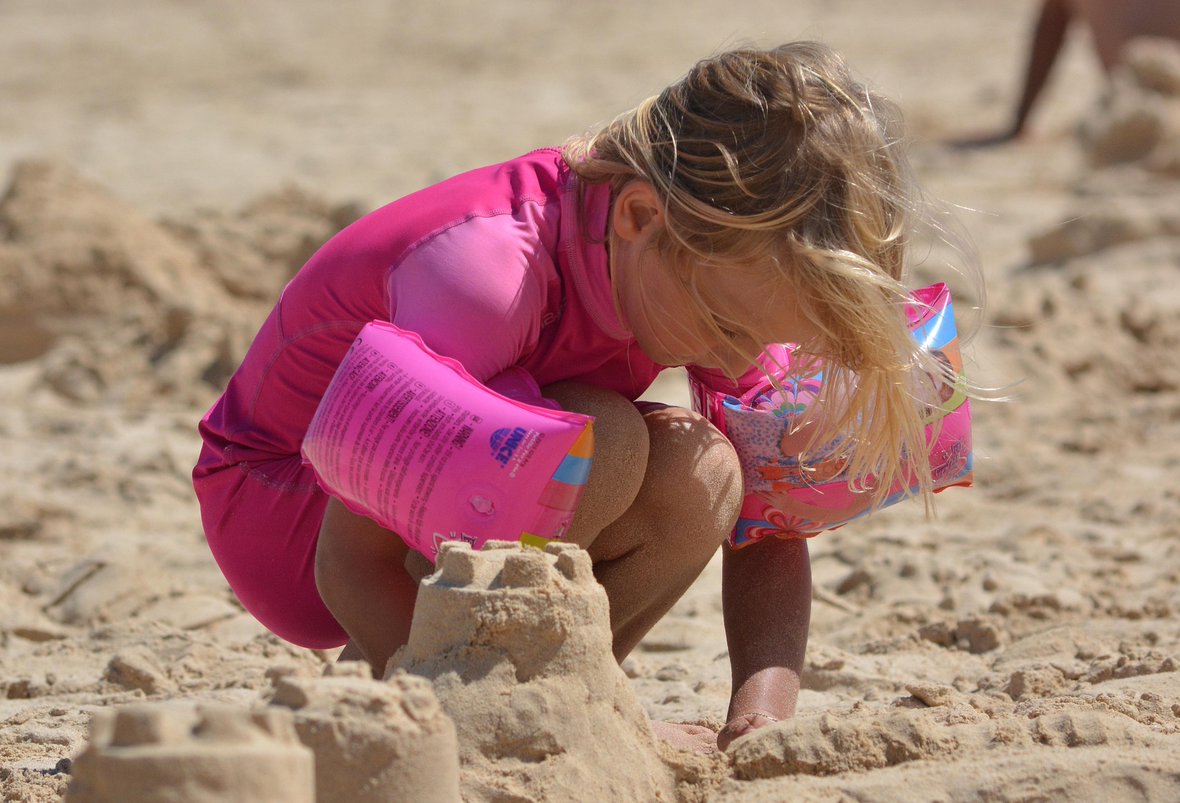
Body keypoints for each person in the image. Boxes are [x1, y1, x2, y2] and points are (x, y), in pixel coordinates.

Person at [192, 41, 979, 754]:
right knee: (603, 436)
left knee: (704, 471)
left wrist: (760, 718)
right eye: (725, 325)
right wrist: (437, 711)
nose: (738, 356)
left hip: (454, 489)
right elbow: (349, 561)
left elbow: (768, 527)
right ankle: (473, 693)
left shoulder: (706, 268)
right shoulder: (486, 279)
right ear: (640, 214)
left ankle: (570, 696)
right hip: (289, 502)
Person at [959, 0, 1180, 146]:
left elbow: (1049, 33)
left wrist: (1019, 124)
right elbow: (1050, 31)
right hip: (1140, 98)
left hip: (1138, 98)